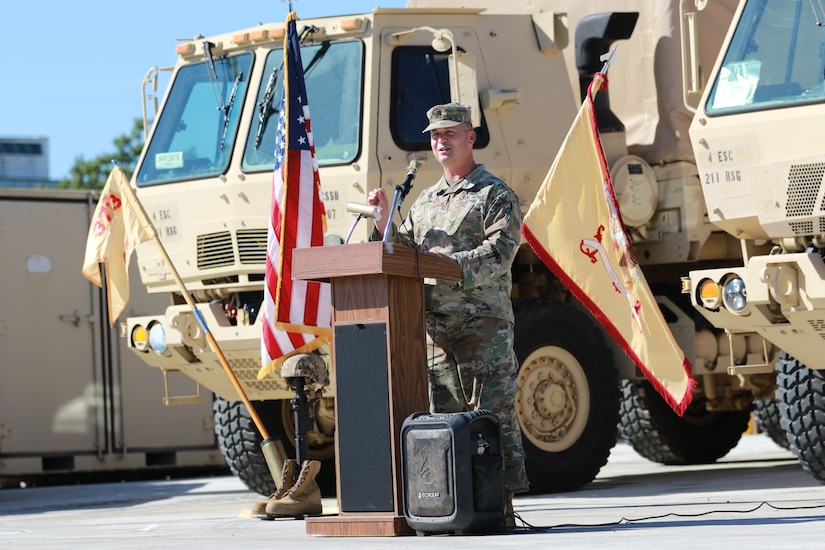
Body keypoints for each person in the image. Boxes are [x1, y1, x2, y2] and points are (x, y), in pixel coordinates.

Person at [368, 102, 529, 525]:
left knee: (492, 417)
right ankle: (458, 505)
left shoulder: (494, 194)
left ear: (470, 138)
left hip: (482, 326)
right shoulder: (424, 201)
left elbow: (500, 253)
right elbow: (405, 251)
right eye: (435, 135)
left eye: (450, 133)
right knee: (447, 420)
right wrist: (384, 220)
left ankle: (502, 505)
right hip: (435, 326)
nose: (440, 141)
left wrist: (447, 268)